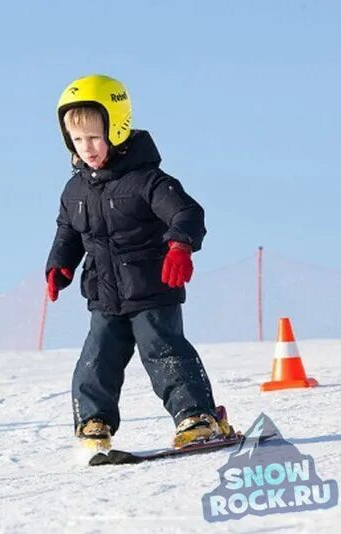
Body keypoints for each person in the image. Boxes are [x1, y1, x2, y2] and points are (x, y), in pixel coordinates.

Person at [45, 74, 231, 452]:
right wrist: (59, 265)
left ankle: (197, 417)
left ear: (118, 126)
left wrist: (180, 246)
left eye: (95, 137)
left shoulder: (148, 180)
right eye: (77, 140)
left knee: (164, 353)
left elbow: (187, 213)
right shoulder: (75, 189)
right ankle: (93, 421)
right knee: (96, 360)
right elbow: (68, 231)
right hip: (104, 294)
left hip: (152, 289)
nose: (87, 148)